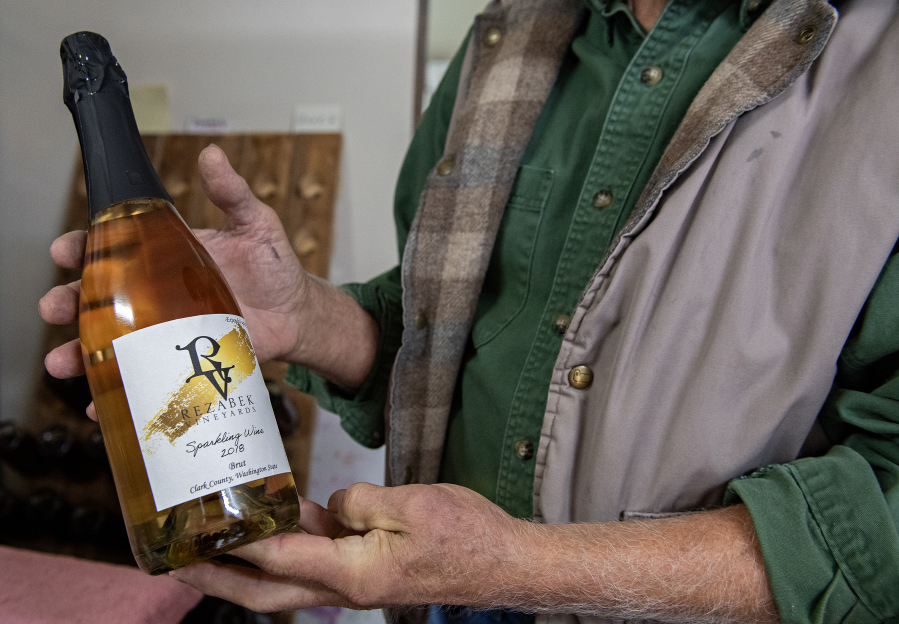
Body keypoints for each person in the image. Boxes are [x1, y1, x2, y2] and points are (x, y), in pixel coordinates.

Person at [40, 0, 899, 621]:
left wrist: (522, 566)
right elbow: (445, 340)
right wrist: (306, 316)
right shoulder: (509, 33)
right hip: (438, 600)